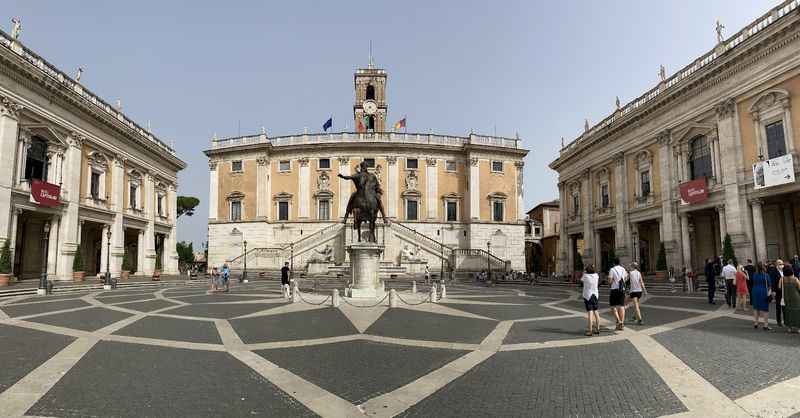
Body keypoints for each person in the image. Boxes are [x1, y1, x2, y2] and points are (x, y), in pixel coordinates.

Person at [581, 264, 601, 336]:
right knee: (596, 311)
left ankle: (590, 330)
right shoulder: (596, 275)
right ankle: (598, 328)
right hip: (595, 295)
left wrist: (584, 272)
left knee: (590, 313)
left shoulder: (585, 276)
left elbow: (581, 280)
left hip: (588, 295)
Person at [608, 258, 628, 330]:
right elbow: (626, 278)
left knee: (613, 306)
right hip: (622, 289)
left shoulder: (612, 269)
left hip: (614, 289)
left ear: (614, 263)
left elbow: (610, 281)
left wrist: (611, 281)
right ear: (619, 263)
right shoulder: (623, 269)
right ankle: (622, 323)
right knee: (621, 306)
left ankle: (618, 320)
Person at [751, 261, 772, 330]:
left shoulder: (754, 274)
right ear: (763, 267)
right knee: (765, 309)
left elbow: (753, 282)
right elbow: (769, 285)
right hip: (763, 292)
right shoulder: (766, 275)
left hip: (755, 291)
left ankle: (756, 323)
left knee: (756, 307)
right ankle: (765, 325)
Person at [781, 266, 800, 333]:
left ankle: (789, 327)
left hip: (787, 297)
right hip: (795, 297)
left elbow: (779, 287)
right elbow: (799, 287)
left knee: (788, 311)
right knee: (797, 312)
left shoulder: (782, 279)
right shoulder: (795, 279)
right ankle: (798, 328)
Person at [768, 260, 786, 326]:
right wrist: (773, 291)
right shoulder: (773, 271)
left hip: (784, 291)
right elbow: (772, 282)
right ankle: (779, 321)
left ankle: (786, 320)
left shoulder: (784, 270)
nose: (781, 265)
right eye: (780, 264)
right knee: (778, 307)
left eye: (782, 263)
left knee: (784, 306)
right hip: (778, 291)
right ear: (776, 264)